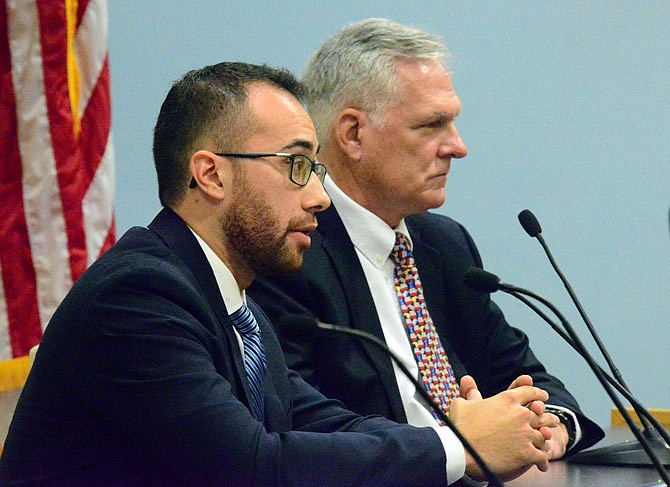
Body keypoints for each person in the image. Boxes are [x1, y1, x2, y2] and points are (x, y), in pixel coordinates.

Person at [0, 61, 558, 486]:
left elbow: (322, 425)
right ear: (211, 175)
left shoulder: (233, 303)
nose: (318, 196)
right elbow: (252, 467)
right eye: (296, 165)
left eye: (315, 168)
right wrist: (458, 449)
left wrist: (463, 436)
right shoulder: (137, 297)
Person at [248, 17, 605, 474]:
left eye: (453, 123)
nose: (457, 147)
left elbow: (521, 372)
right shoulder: (289, 249)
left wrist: (548, 426)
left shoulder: (443, 244)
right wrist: (458, 445)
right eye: (432, 125)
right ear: (353, 134)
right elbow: (304, 427)